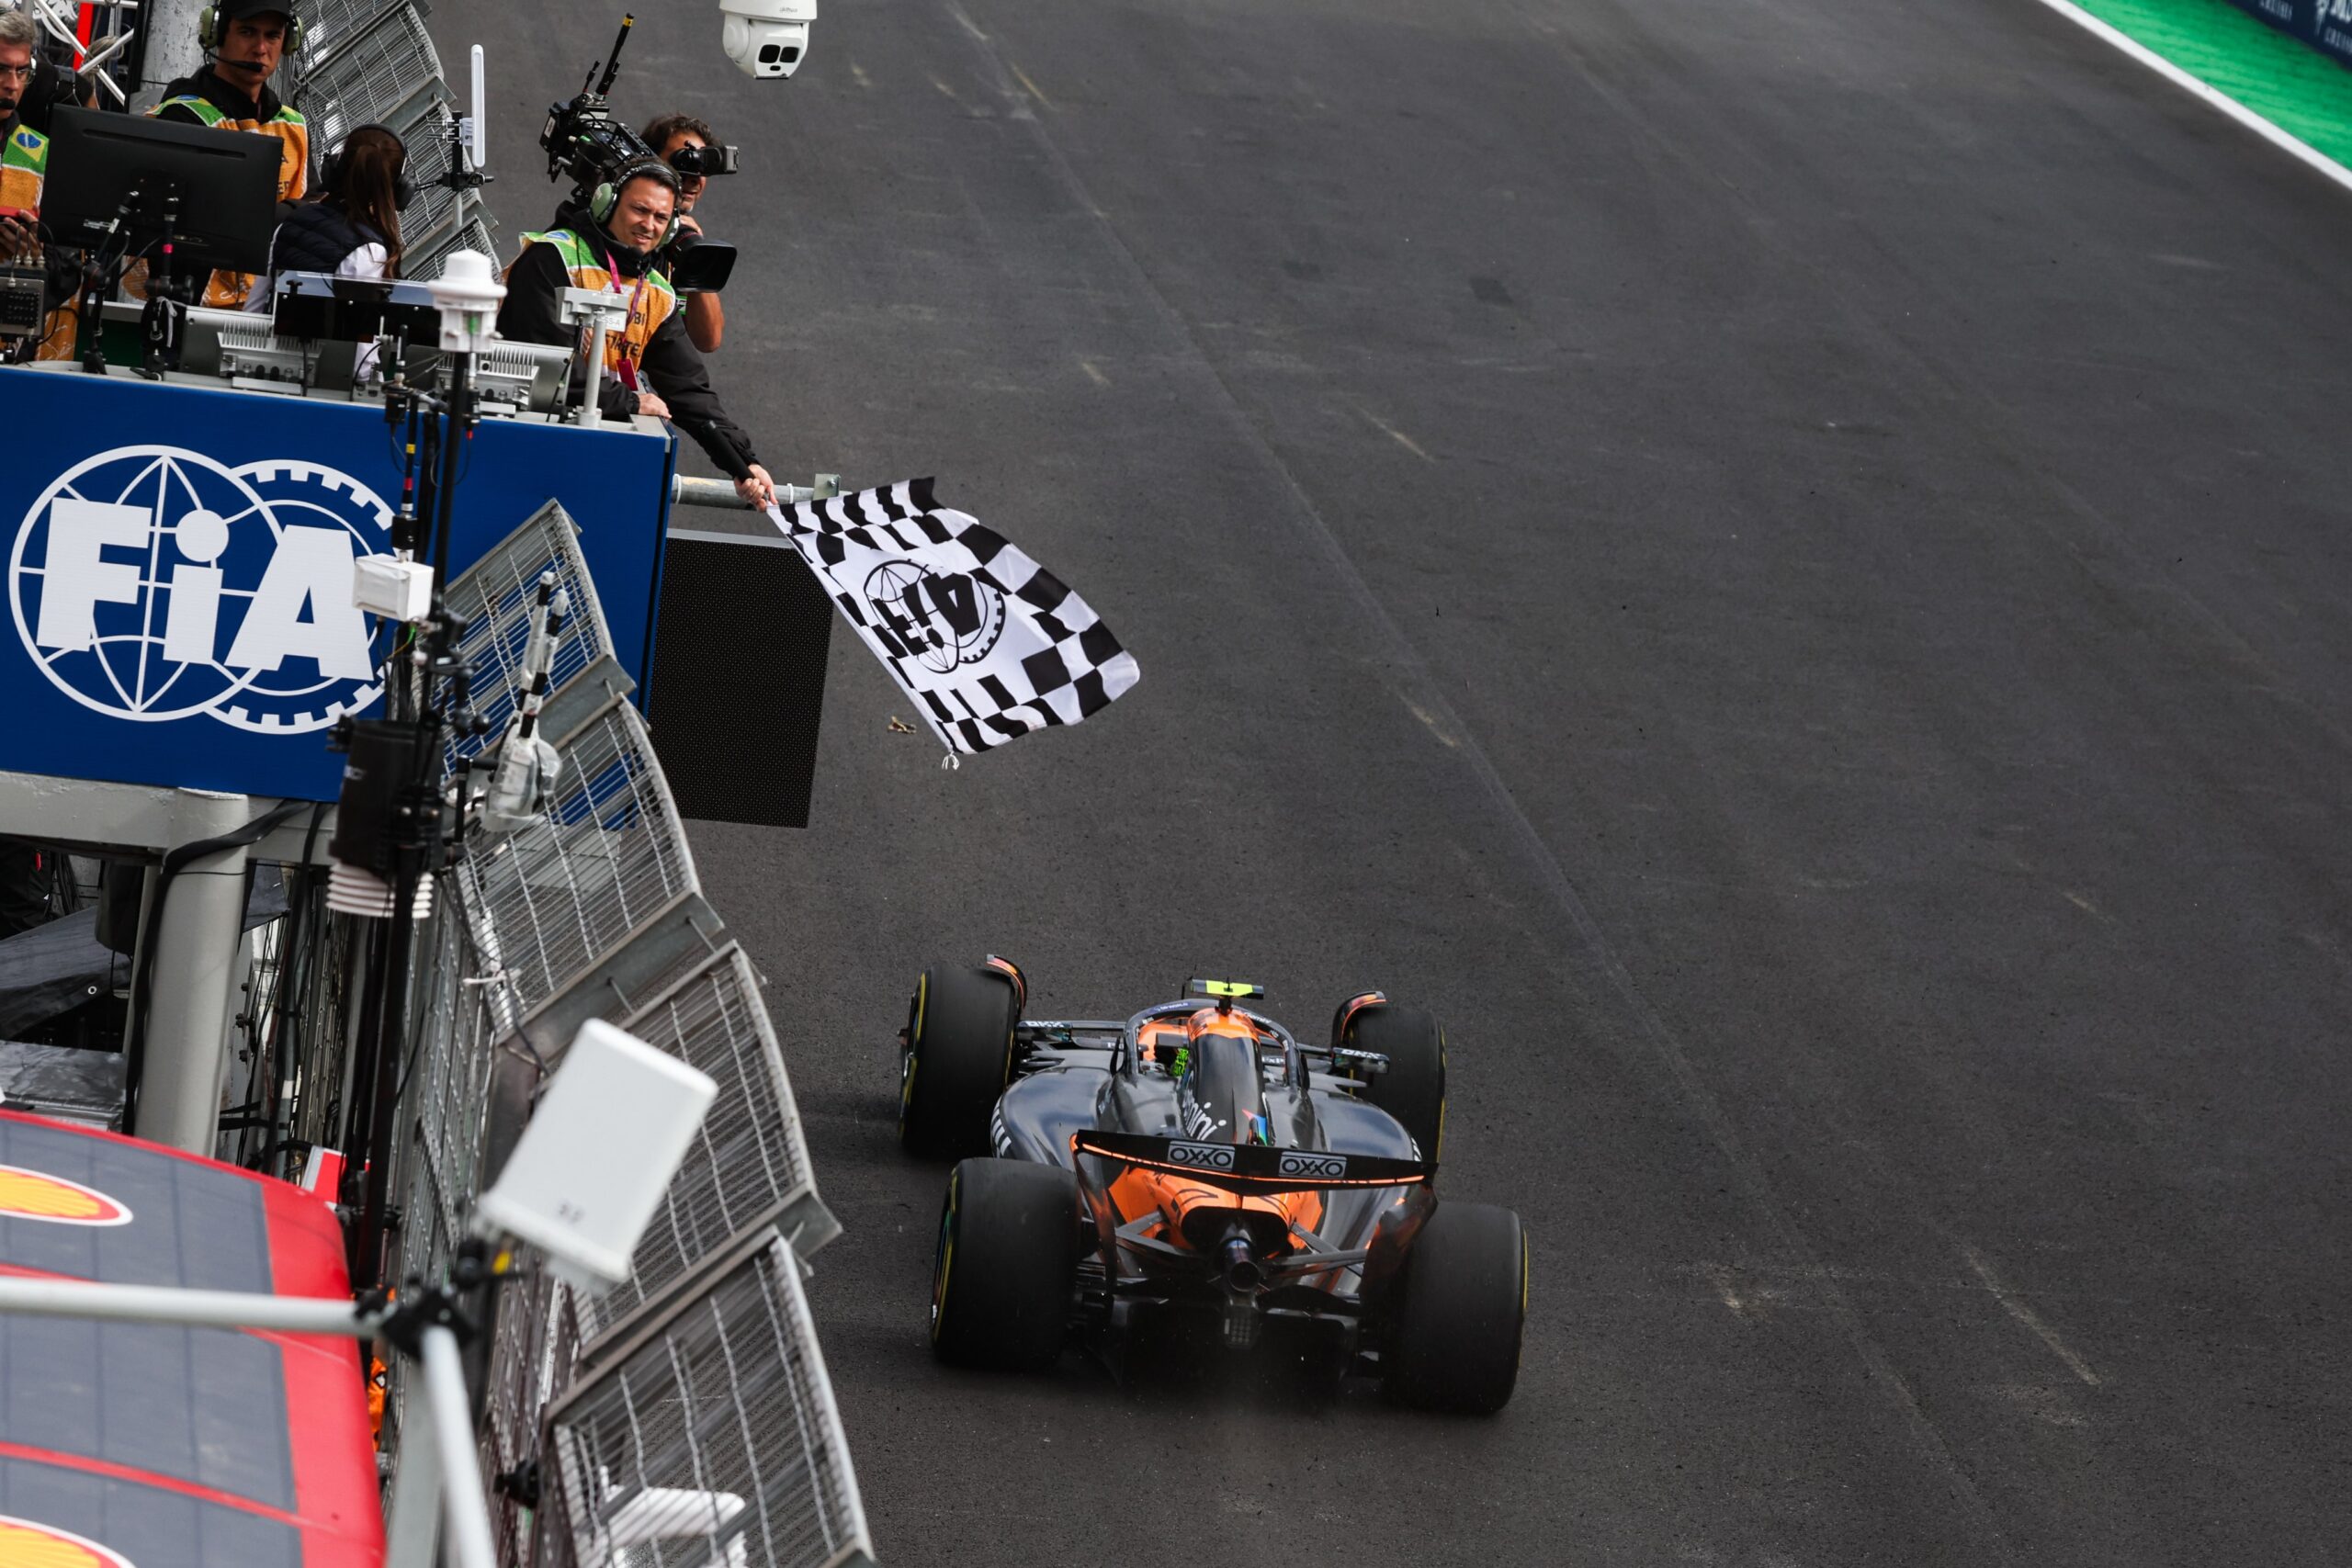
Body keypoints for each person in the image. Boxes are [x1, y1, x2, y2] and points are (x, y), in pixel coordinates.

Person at [498, 160, 775, 508]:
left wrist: (743, 463)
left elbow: (688, 390)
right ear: (607, 204)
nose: (648, 225)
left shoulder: (657, 291)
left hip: (592, 447)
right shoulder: (551, 258)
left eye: (661, 218)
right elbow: (548, 366)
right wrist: (629, 401)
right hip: (520, 440)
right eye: (639, 210)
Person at [150, 0, 308, 309]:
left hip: (267, 311)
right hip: (192, 311)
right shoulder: (182, 117)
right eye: (248, 32)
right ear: (216, 33)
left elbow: (307, 212)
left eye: (273, 36)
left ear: (287, 42)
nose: (261, 48)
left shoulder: (293, 125)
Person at [247, 123, 408, 309]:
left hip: (267, 336)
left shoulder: (294, 219)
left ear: (336, 167)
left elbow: (255, 306)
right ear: (398, 189)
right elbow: (361, 332)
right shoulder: (370, 252)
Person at [641, 111, 725, 353]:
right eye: (684, 162)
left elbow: (708, 340)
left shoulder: (684, 240)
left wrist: (696, 258)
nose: (694, 178)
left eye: (703, 167)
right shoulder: (624, 227)